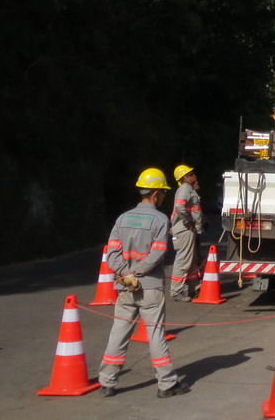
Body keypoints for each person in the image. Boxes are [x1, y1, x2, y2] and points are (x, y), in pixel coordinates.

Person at [98, 168, 190, 398]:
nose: (164, 197)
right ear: (157, 193)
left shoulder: (122, 218)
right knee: (156, 334)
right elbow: (157, 254)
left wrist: (126, 273)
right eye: (163, 193)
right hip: (149, 287)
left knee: (118, 333)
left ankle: (107, 382)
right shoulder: (160, 219)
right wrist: (137, 273)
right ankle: (167, 384)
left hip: (124, 286)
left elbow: (111, 253)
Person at [169, 164, 205, 302]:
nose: (195, 176)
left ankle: (194, 287)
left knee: (191, 261)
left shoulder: (189, 189)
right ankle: (176, 290)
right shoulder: (184, 189)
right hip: (184, 229)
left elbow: (195, 209)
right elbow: (179, 206)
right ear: (185, 177)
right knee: (183, 261)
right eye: (191, 174)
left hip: (188, 230)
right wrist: (188, 221)